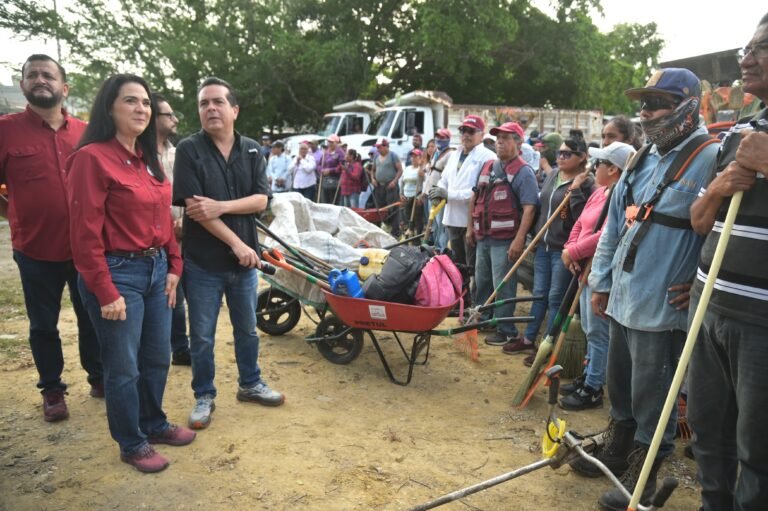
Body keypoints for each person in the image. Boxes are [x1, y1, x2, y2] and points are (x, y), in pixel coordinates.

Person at [571, 68, 719, 511]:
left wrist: (699, 282)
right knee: (621, 384)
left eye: (657, 102)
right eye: (644, 102)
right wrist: (603, 282)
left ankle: (645, 478)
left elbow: (724, 232)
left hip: (664, 305)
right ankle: (617, 451)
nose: (646, 111)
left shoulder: (711, 157)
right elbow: (615, 226)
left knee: (654, 395)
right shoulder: (640, 158)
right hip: (624, 297)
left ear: (688, 105)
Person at [67, 74, 195, 473]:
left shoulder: (147, 159)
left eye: (145, 103)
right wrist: (104, 291)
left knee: (158, 356)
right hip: (117, 272)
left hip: (157, 269)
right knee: (123, 366)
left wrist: (174, 266)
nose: (141, 109)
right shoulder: (91, 158)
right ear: (109, 108)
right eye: (130, 101)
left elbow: (165, 220)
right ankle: (132, 442)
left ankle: (153, 423)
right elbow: (84, 233)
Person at [687, 15, 768, 510]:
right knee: (707, 433)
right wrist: (718, 187)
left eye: (763, 47)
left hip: (761, 322)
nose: (748, 58)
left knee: (757, 450)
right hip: (709, 304)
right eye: (748, 46)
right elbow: (699, 220)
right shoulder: (737, 130)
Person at [172, 77, 284, 431]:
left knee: (247, 330)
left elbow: (261, 200)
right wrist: (237, 243)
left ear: (234, 110)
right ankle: (204, 395)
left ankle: (250, 384)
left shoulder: (252, 150)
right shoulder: (189, 150)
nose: (210, 108)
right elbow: (195, 211)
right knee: (202, 335)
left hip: (244, 266)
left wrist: (220, 205)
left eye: (218, 102)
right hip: (204, 263)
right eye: (204, 103)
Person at [0, 54, 103, 422]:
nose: (40, 79)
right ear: (24, 84)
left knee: (92, 316)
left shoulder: (87, 132)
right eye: (33, 75)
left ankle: (99, 377)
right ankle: (53, 389)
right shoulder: (5, 130)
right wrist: (14, 213)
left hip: (85, 249)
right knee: (43, 324)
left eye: (48, 74)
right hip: (34, 250)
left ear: (64, 87)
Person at [558, 142, 635, 410]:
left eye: (598, 164)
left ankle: (593, 388)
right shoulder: (599, 192)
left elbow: (606, 235)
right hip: (584, 269)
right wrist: (571, 251)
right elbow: (580, 223)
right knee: (591, 331)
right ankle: (588, 375)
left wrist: (575, 251)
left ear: (613, 169)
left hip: (602, 272)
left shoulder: (624, 196)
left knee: (599, 334)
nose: (593, 168)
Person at [504, 136, 594, 355]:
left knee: (556, 297)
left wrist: (575, 190)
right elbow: (541, 204)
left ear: (581, 157)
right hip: (542, 246)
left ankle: (548, 344)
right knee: (539, 293)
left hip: (563, 251)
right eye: (559, 153)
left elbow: (581, 217)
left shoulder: (587, 183)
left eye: (566, 154)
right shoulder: (553, 174)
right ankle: (529, 338)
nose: (560, 157)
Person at [466, 122, 539, 346]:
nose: (500, 142)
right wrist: (470, 228)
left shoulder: (523, 172)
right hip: (483, 237)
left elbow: (530, 207)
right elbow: (474, 197)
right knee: (482, 279)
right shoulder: (488, 166)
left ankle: (506, 328)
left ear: (518, 143)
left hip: (505, 240)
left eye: (506, 138)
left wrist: (519, 240)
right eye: (498, 138)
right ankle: (484, 318)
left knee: (503, 284)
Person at [153, 93, 191, 366]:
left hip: (184, 235)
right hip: (156, 240)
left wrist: (186, 221)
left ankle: (180, 347)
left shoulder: (179, 154)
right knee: (168, 297)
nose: (175, 119)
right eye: (168, 114)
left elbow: (193, 192)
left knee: (181, 295)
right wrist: (168, 228)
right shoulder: (136, 155)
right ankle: (159, 352)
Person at [429, 115, 496, 268]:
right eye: (463, 130)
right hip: (452, 218)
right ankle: (460, 291)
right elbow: (444, 179)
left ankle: (470, 292)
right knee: (457, 263)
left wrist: (448, 195)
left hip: (471, 221)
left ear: (481, 134)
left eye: (471, 131)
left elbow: (478, 192)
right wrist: (438, 192)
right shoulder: (454, 154)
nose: (466, 134)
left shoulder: (488, 157)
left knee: (471, 266)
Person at [424, 129, 454, 251]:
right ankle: (435, 247)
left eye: (442, 138)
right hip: (430, 192)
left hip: (440, 194)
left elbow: (447, 175)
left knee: (441, 223)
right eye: (437, 137)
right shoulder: (437, 153)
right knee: (433, 224)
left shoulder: (450, 154)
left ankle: (442, 248)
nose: (439, 140)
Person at [371, 137, 403, 236]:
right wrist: (373, 179)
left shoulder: (393, 156)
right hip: (379, 186)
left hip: (390, 186)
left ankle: (395, 231)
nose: (378, 149)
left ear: (385, 146)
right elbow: (373, 170)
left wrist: (394, 181)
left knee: (392, 208)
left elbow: (400, 170)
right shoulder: (376, 157)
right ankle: (382, 229)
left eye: (379, 147)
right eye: (377, 147)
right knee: (380, 208)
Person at [399, 148, 427, 237]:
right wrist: (401, 193)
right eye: (412, 156)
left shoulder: (422, 169)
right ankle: (408, 235)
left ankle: (417, 237)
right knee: (407, 217)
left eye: (416, 156)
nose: (413, 158)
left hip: (416, 196)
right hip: (406, 196)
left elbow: (426, 182)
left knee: (417, 218)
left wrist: (421, 195)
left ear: (420, 158)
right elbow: (402, 182)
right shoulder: (407, 169)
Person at [317, 134, 345, 204]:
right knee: (325, 201)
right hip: (325, 179)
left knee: (334, 201)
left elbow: (342, 166)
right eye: (329, 141)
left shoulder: (340, 153)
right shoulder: (325, 152)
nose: (329, 143)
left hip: (335, 179)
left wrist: (330, 170)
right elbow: (319, 165)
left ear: (336, 143)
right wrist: (321, 170)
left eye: (332, 142)